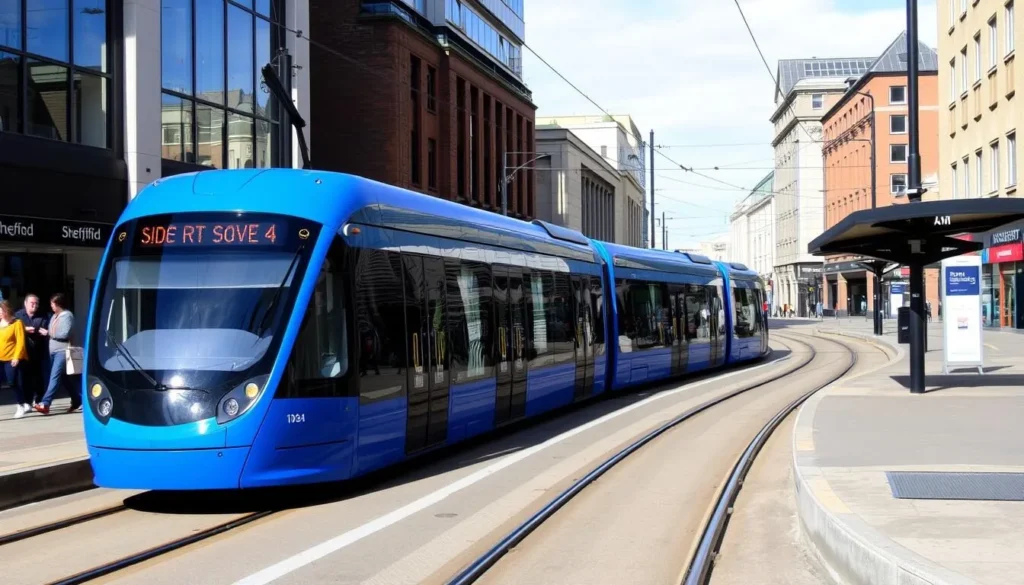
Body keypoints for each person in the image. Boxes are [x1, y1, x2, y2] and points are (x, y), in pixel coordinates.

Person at [34, 293, 81, 415]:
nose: (51, 306)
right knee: (65, 379)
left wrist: (48, 333)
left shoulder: (67, 316)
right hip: (53, 352)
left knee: (54, 376)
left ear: (58, 304)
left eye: (52, 304)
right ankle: (77, 400)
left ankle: (45, 403)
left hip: (62, 350)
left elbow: (64, 334)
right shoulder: (55, 316)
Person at [15, 294, 49, 406]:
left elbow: (45, 327)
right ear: (25, 303)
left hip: (39, 351)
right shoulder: (18, 315)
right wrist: (24, 329)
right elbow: (13, 330)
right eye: (32, 303)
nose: (34, 305)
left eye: (36, 303)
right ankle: (27, 401)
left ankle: (38, 398)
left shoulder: (42, 315)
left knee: (38, 377)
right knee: (25, 377)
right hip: (23, 351)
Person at [0, 300, 30, 418]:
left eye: (1, 311)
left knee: (12, 382)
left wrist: (16, 356)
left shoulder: (17, 323)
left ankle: (21, 404)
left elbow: (20, 342)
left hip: (11, 358)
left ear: (6, 310)